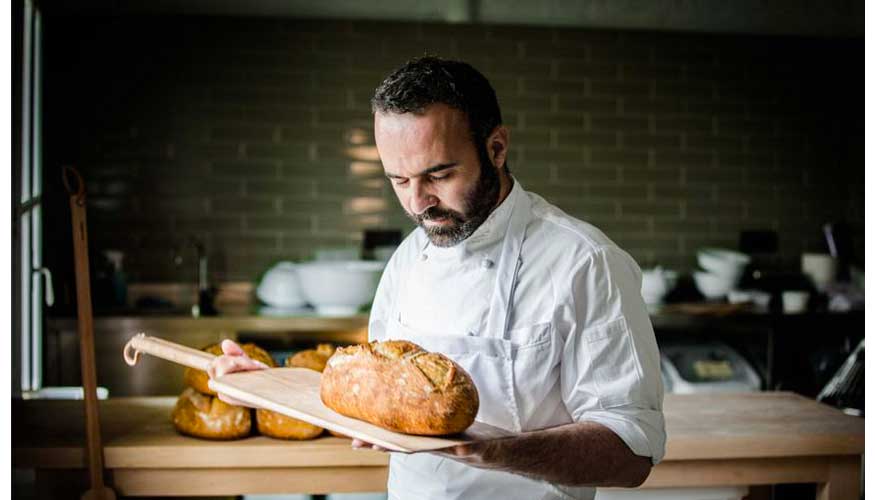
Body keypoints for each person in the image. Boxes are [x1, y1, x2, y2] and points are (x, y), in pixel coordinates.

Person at [209, 56, 665, 500]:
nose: (418, 203)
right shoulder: (408, 259)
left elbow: (631, 451)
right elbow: (377, 405)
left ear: (496, 148)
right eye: (399, 181)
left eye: (439, 175)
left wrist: (495, 451)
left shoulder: (585, 262)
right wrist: (272, 388)